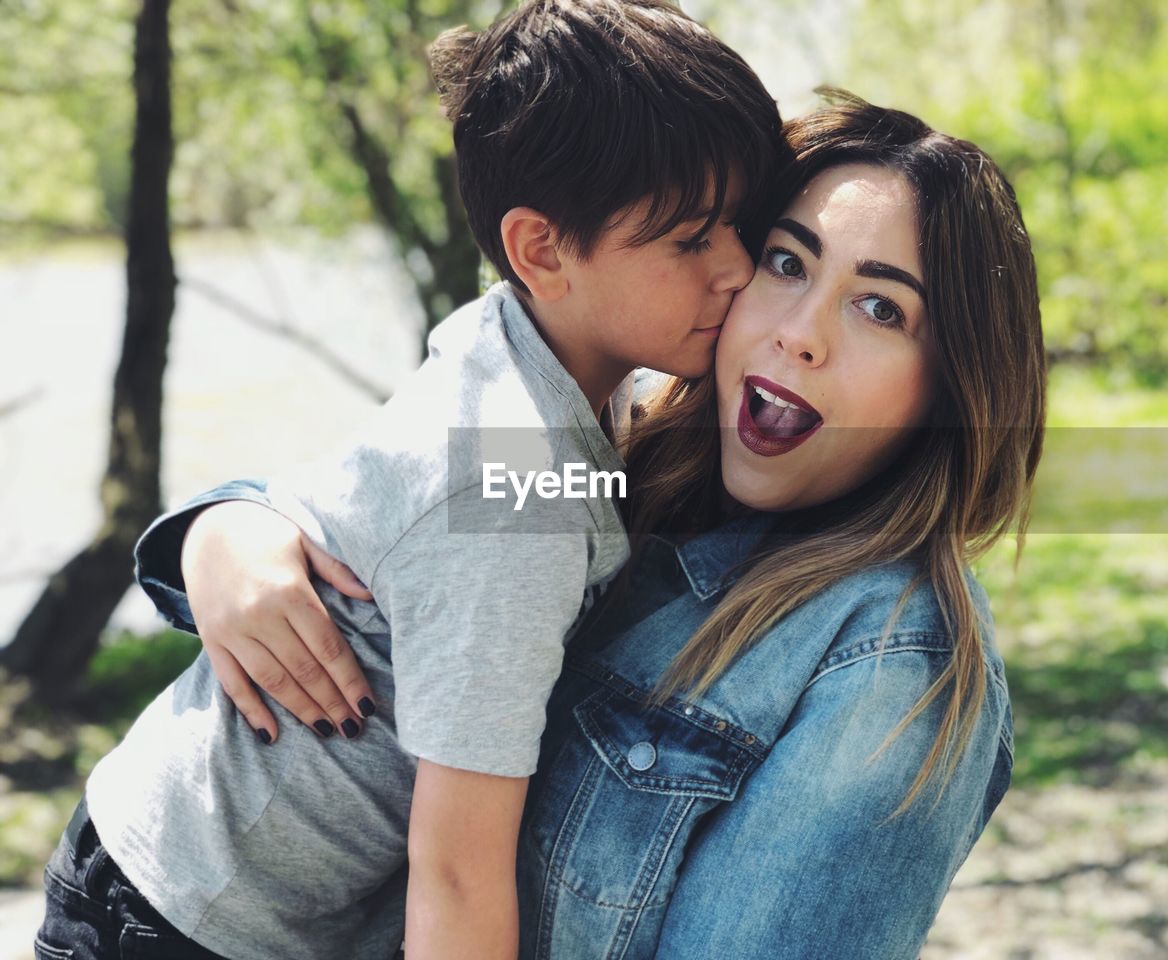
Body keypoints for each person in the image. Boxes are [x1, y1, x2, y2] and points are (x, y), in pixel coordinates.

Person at [114, 95, 1046, 959]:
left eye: (881, 307)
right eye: (785, 261)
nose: (802, 332)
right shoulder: (609, 457)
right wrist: (227, 531)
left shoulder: (892, 681)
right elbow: (388, 507)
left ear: (952, 389)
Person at [34, 2, 787, 959]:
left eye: (743, 226)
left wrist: (228, 520)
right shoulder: (508, 495)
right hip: (176, 911)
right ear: (541, 251)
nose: (735, 270)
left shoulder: (529, 362)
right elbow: (458, 866)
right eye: (689, 241)